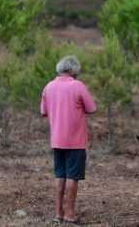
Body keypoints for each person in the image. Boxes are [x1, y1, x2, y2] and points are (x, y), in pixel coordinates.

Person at [41, 55, 97, 224]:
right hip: (75, 140)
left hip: (57, 139)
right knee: (73, 176)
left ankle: (58, 213)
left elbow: (43, 111)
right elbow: (92, 108)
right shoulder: (78, 85)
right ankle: (70, 214)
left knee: (60, 175)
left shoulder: (48, 87)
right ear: (73, 71)